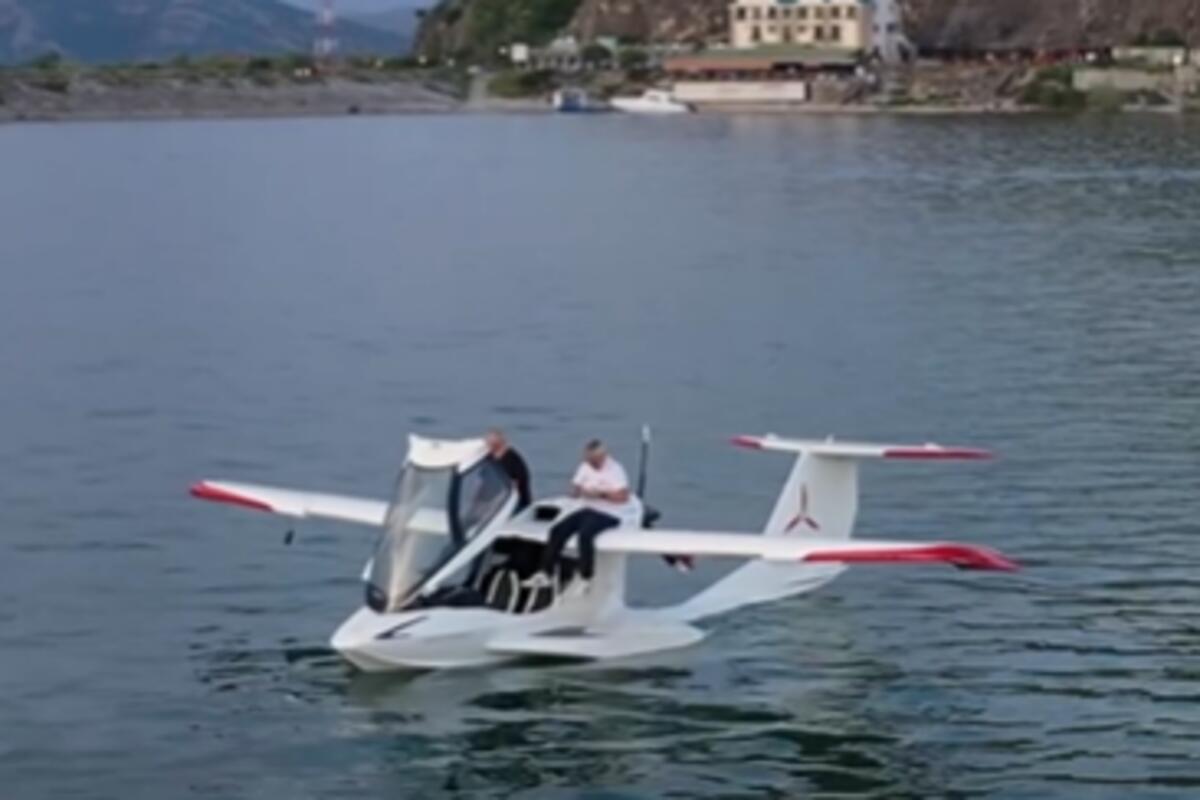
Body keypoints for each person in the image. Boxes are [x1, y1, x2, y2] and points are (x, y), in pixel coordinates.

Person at [524, 439, 642, 593]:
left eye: (593, 460)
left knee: (585, 535)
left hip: (610, 513)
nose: (590, 463)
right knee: (557, 530)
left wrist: (601, 494)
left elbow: (623, 497)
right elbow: (574, 491)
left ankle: (586, 576)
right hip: (587, 508)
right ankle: (545, 573)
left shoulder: (615, 470)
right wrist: (580, 491)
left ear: (602, 457)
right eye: (588, 460)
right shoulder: (585, 467)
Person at [484, 428, 532, 513]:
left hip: (516, 504)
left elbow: (515, 484)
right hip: (495, 502)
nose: (488, 447)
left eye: (490, 444)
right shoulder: (490, 458)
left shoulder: (512, 460)